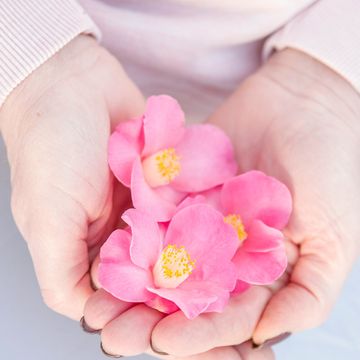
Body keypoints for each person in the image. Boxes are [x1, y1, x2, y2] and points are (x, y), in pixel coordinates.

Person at [0, 0, 359, 358]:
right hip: (78, 108)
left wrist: (335, 77)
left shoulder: (194, 206)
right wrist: (39, 56)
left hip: (295, 70)